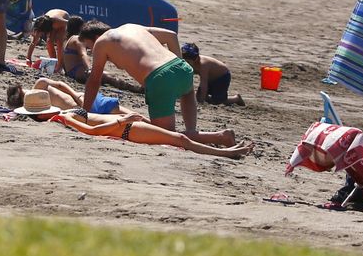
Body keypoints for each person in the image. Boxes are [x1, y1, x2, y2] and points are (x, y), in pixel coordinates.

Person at [79, 21, 213, 136]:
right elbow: (171, 35)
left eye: (89, 47)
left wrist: (84, 113)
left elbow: (94, 80)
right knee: (187, 98)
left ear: (96, 37)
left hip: (160, 77)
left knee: (165, 136)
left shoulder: (101, 42)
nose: (91, 51)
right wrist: (178, 63)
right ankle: (192, 130)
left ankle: (218, 137)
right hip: (182, 68)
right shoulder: (131, 27)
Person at [46, 105, 253, 159]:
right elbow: (91, 131)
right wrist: (122, 120)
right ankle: (226, 152)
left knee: (178, 138)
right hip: (126, 129)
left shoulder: (61, 113)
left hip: (127, 127)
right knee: (180, 139)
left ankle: (225, 148)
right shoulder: (65, 117)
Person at [180, 42, 242, 106]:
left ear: (195, 59)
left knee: (218, 101)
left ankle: (236, 98)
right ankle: (208, 98)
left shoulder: (203, 65)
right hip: (210, 78)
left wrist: (201, 102)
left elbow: (203, 85)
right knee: (198, 96)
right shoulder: (188, 63)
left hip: (222, 77)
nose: (185, 63)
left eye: (188, 61)